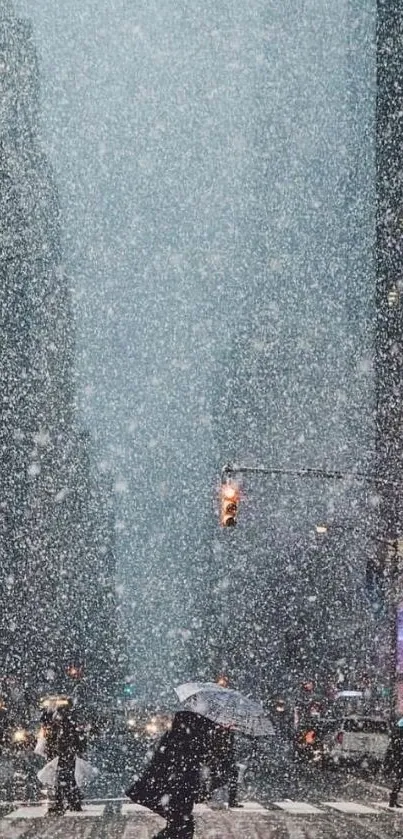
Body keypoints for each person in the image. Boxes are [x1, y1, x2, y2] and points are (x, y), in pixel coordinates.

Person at [126, 710, 233, 839]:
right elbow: (205, 757)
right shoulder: (190, 736)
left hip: (174, 789)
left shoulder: (179, 735)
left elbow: (205, 758)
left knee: (180, 826)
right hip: (176, 789)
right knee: (181, 827)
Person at [42, 698, 86, 815]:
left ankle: (66, 803)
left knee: (64, 778)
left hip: (64, 753)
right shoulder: (66, 721)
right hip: (64, 753)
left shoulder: (65, 722)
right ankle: (71, 802)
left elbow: (65, 738)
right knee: (66, 778)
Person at [386, 717, 403, 808]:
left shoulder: (397, 730)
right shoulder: (400, 732)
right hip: (400, 757)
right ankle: (393, 799)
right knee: (399, 779)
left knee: (399, 779)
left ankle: (393, 799)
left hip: (398, 757)